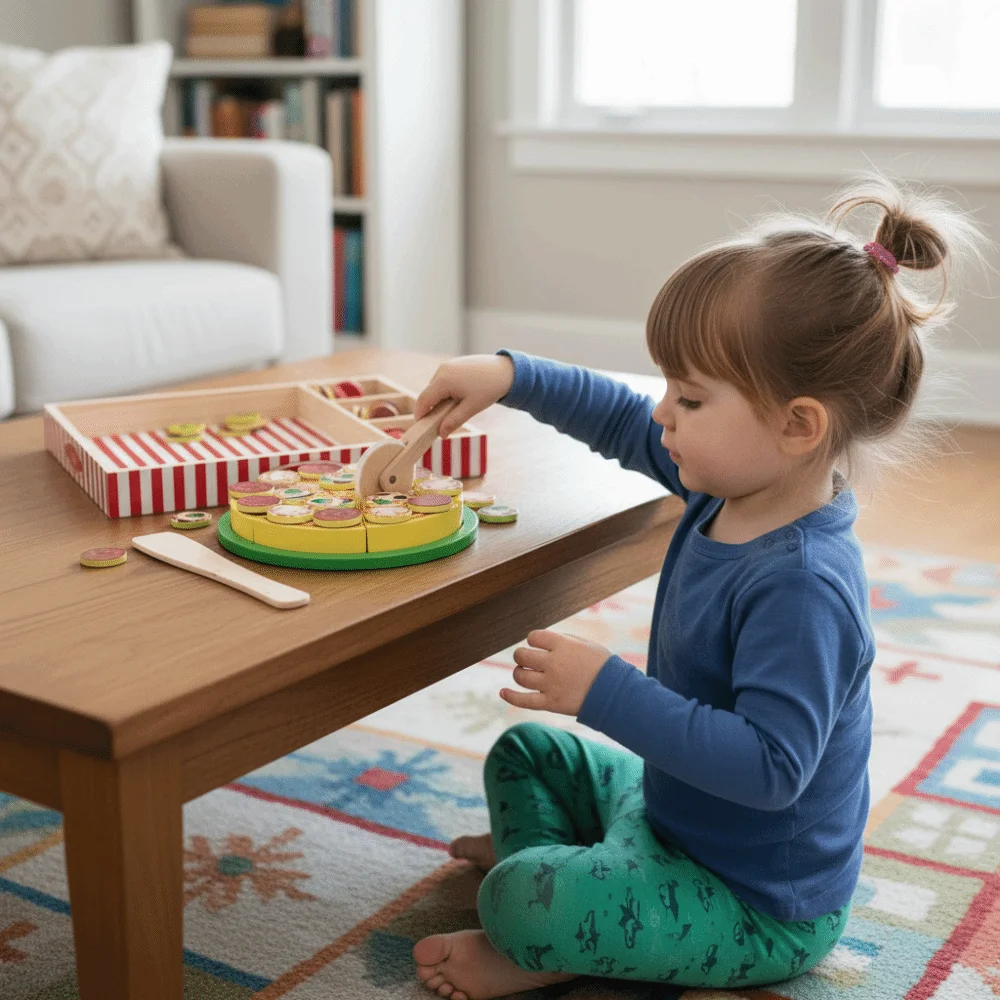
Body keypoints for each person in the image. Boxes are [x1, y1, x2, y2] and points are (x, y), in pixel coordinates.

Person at [409, 177, 983, 1000]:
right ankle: (577, 896)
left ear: (797, 425)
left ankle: (551, 930)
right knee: (527, 753)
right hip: (668, 815)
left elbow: (771, 769)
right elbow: (617, 418)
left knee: (515, 902)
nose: (662, 415)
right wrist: (508, 374)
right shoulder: (727, 483)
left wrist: (606, 692)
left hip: (756, 902)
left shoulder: (805, 587)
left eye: (689, 398)